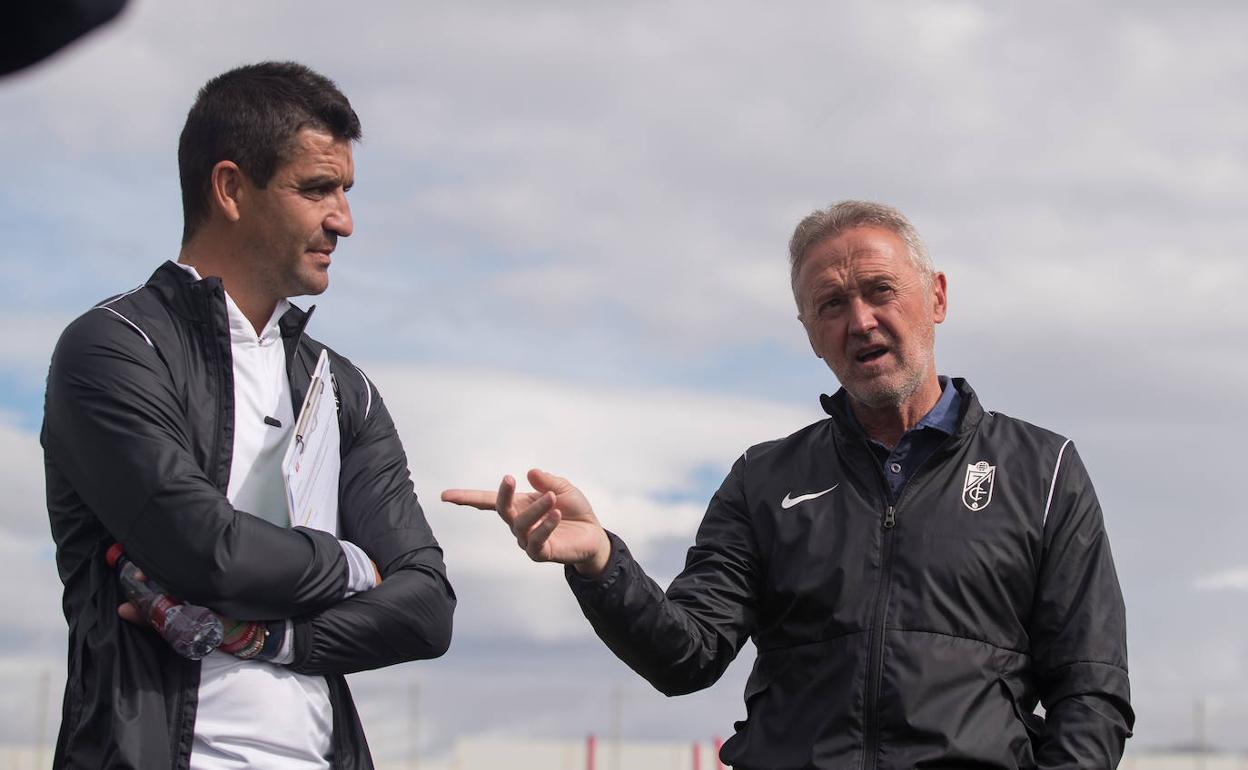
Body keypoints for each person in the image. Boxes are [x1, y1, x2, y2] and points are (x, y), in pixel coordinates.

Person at [443, 200, 1132, 769]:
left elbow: (1091, 692)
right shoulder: (764, 479)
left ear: (937, 297)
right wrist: (602, 564)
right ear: (809, 333)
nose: (860, 320)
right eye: (831, 304)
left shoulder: (1044, 470)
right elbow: (686, 656)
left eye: (880, 290)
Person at [43, 61, 455, 769]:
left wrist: (273, 640)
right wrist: (354, 563)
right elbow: (211, 552)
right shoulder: (113, 347)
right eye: (316, 189)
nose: (343, 221)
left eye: (345, 192)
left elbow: (427, 608)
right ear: (231, 188)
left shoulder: (343, 388)